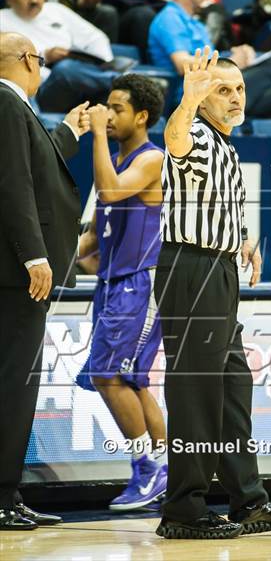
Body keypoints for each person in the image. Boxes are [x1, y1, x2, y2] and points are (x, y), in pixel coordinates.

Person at [154, 46, 271, 539]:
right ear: (202, 97)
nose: (236, 97)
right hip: (190, 272)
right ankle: (183, 510)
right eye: (223, 89)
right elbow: (174, 141)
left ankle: (247, 501)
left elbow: (208, 204)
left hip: (217, 269)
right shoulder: (195, 131)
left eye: (239, 88)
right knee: (196, 394)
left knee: (234, 389)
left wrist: (241, 240)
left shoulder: (225, 146)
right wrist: (187, 102)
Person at [0, 32, 88, 530]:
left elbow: (34, 164)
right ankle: (2, 497)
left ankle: (7, 493)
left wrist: (68, 134)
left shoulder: (14, 108)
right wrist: (34, 254)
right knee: (13, 387)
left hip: (13, 275)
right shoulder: (6, 104)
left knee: (12, 383)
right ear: (30, 61)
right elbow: (14, 182)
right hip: (15, 275)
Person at [75, 74, 168, 511]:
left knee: (107, 375)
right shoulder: (112, 161)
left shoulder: (152, 159)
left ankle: (149, 469)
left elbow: (112, 189)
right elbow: (93, 238)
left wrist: (93, 133)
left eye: (116, 108)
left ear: (142, 116)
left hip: (140, 283)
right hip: (112, 284)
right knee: (131, 379)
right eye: (105, 108)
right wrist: (43, 261)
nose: (107, 115)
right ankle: (163, 469)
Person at [148, 0, 271, 119]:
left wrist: (239, 54)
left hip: (219, 87)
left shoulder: (195, 22)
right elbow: (182, 64)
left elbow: (211, 58)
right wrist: (228, 62)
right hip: (194, 97)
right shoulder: (170, 17)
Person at [0, 0, 120, 112]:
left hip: (81, 76)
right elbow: (11, 66)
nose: (34, 0)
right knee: (64, 69)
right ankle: (120, 80)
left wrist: (105, 63)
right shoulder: (2, 20)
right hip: (43, 89)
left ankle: (111, 77)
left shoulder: (56, 9)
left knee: (72, 68)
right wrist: (44, 56)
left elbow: (96, 38)